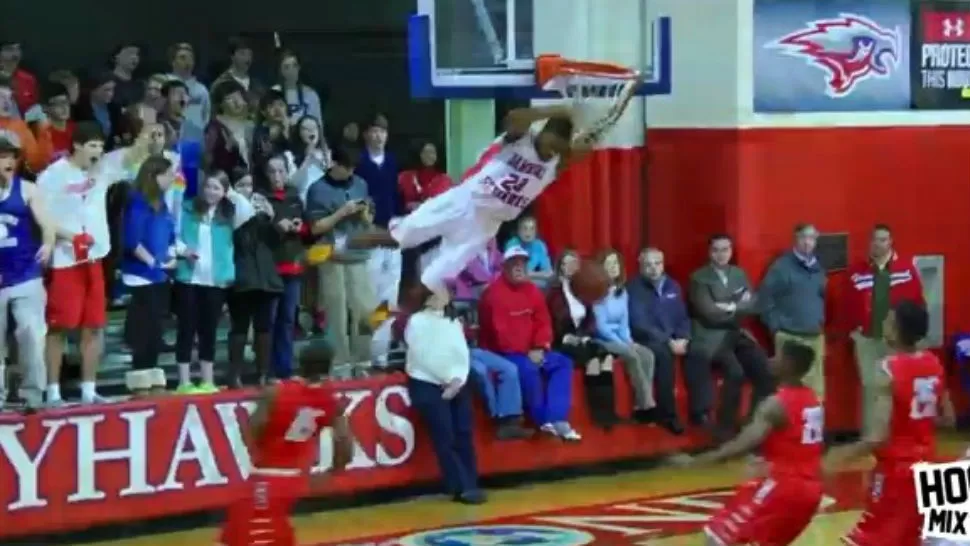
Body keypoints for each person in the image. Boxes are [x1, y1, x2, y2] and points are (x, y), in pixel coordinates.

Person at [343, 93, 637, 304]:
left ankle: (394, 319)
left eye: (560, 148)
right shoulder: (519, 138)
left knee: (428, 283)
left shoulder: (556, 164)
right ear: (544, 133)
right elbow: (513, 118)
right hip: (464, 200)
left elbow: (596, 135)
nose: (553, 151)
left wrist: (621, 100)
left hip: (485, 226)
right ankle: (340, 243)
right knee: (395, 238)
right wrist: (560, 109)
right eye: (552, 144)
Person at [668, 341, 824, 546]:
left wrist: (694, 462)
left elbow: (741, 445)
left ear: (789, 364)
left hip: (783, 486)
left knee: (717, 538)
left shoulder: (775, 404)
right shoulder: (814, 399)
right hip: (812, 491)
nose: (770, 361)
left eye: (777, 357)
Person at [825, 300, 949, 545]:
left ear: (897, 330)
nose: (884, 324)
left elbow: (877, 436)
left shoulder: (887, 369)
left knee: (868, 540)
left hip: (896, 472)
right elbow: (948, 418)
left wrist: (840, 454)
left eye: (889, 321)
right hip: (927, 468)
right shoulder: (934, 363)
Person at [219, 342, 354, 546]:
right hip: (296, 477)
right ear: (329, 366)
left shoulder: (275, 392)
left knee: (247, 531)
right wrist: (334, 471)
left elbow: (252, 428)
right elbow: (345, 446)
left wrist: (258, 450)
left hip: (267, 475)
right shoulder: (331, 401)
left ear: (299, 364)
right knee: (244, 529)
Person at [478, 246, 580, 440]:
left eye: (522, 263)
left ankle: (557, 418)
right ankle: (543, 422)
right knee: (527, 370)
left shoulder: (533, 291)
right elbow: (502, 336)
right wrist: (529, 352)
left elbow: (544, 323)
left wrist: (540, 347)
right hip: (504, 353)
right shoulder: (494, 295)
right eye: (514, 264)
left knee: (563, 362)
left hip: (533, 350)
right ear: (504, 267)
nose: (519, 268)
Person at [404, 289, 486, 503]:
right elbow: (422, 355)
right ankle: (458, 486)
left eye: (443, 292)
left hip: (456, 381)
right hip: (426, 381)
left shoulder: (453, 322)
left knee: (464, 433)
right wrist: (446, 379)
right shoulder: (416, 321)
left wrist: (457, 379)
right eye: (435, 292)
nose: (440, 296)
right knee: (445, 434)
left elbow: (462, 352)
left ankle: (471, 482)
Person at [0, 137, 54, 411]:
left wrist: (47, 243)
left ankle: (33, 396)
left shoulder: (28, 190)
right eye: (2, 157)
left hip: (25, 273)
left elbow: (47, 224)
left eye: (11, 157)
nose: (8, 163)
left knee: (32, 334)